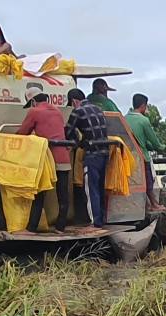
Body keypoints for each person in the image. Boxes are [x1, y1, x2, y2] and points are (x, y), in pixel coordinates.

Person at [17, 87, 71, 233]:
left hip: (47, 157)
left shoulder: (34, 111)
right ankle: (61, 226)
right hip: (63, 156)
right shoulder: (58, 111)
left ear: (33, 101)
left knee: (39, 193)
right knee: (63, 194)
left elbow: (23, 132)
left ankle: (32, 227)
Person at [66, 88, 110, 228]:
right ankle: (102, 219)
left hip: (92, 154)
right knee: (100, 187)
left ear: (74, 101)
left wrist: (76, 142)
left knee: (91, 190)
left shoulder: (78, 111)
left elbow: (68, 131)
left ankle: (95, 223)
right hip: (105, 152)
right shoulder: (98, 109)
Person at [125, 93, 165, 212]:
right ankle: (154, 204)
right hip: (141, 157)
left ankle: (145, 205)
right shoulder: (144, 120)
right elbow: (154, 141)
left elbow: (139, 139)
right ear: (143, 105)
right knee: (148, 181)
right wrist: (162, 147)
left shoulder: (124, 118)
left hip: (127, 156)